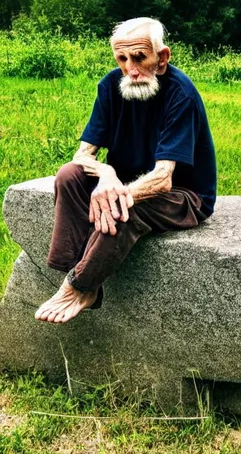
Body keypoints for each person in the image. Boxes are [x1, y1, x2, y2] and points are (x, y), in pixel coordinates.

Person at [35, 17, 216, 324]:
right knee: (68, 174)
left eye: (139, 58)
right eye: (122, 58)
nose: (131, 69)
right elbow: (82, 156)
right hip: (123, 181)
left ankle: (81, 286)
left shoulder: (179, 94)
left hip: (181, 196)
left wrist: (117, 193)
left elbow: (162, 179)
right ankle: (74, 264)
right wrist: (106, 174)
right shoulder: (110, 86)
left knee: (125, 208)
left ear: (162, 58)